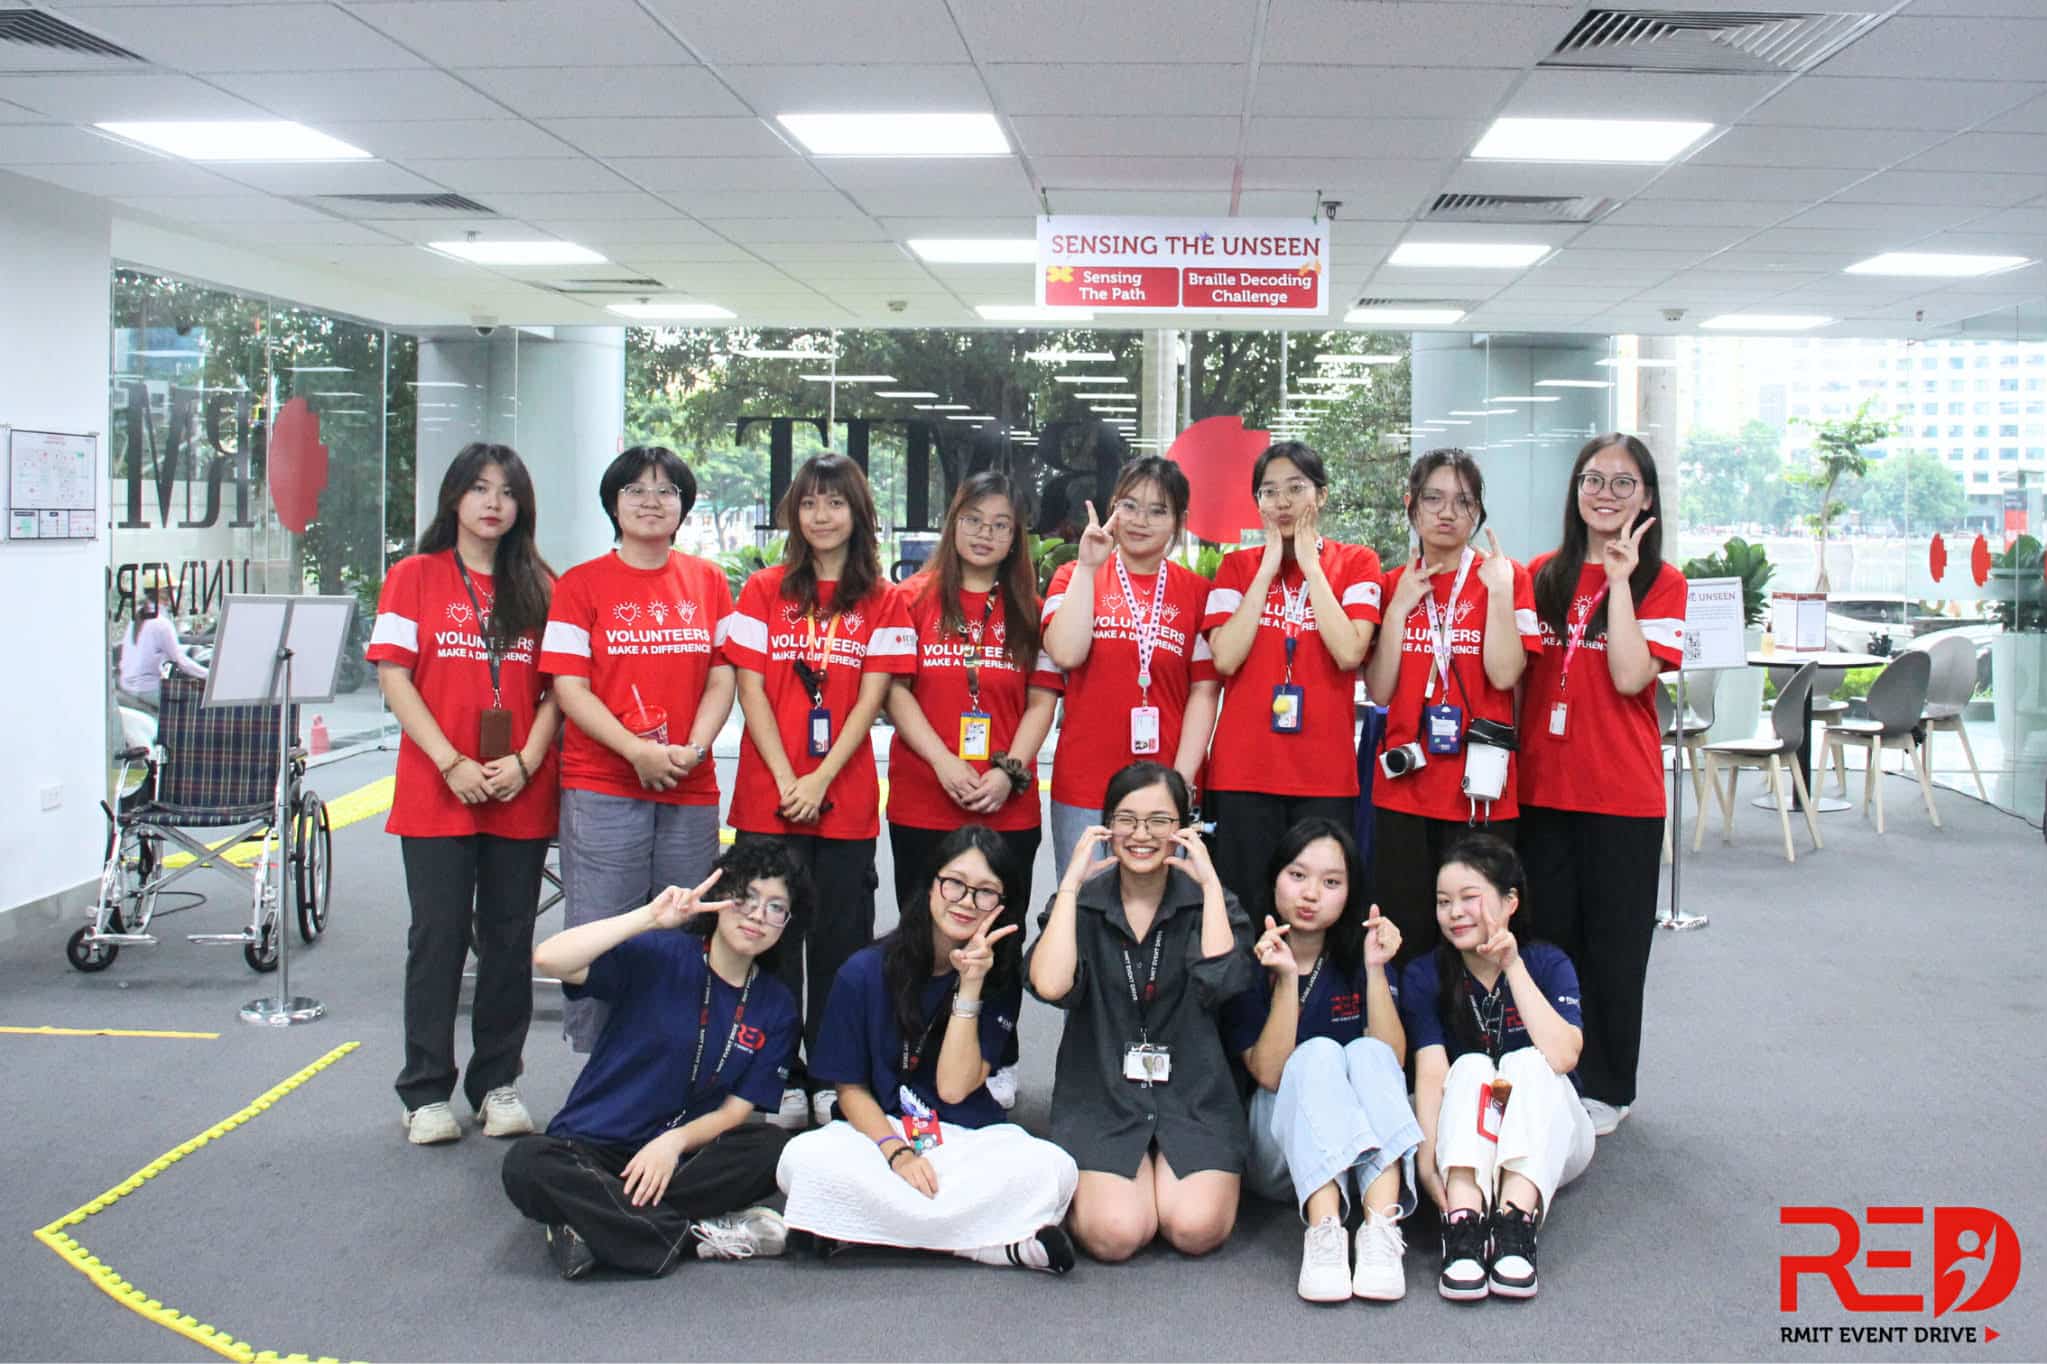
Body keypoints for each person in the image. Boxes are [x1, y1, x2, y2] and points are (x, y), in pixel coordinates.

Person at [776, 826, 1080, 1273]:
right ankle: (991, 1244)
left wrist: (970, 987)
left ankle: (864, 1230)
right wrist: (896, 1153)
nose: (965, 901)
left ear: (1002, 906)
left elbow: (954, 1090)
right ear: (931, 883)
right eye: (954, 883)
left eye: (985, 893)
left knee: (1053, 1169)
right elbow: (851, 1091)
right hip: (880, 1134)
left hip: (964, 1139)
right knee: (802, 1160)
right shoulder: (862, 971)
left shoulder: (998, 977)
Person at [368, 442, 560, 1145]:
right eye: (479, 489)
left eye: (506, 492)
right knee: (438, 937)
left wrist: (528, 759)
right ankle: (424, 1092)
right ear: (454, 497)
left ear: (521, 506)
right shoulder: (412, 577)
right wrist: (450, 761)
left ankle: (497, 1084)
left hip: (517, 787)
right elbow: (394, 678)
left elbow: (557, 690)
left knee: (509, 940)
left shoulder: (541, 583)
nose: (492, 503)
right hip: (437, 786)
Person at [503, 842, 808, 1279]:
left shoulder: (776, 1006)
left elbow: (735, 1113)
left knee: (771, 1149)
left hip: (681, 1159)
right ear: (720, 902)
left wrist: (673, 1143)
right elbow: (550, 958)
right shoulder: (661, 954)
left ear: (788, 922)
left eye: (776, 907)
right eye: (746, 898)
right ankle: (692, 1236)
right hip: (592, 1147)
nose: (758, 915)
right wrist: (648, 917)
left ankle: (594, 1225)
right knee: (527, 1164)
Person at [726, 451, 915, 1132]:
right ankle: (776, 1074)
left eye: (834, 502)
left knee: (840, 943)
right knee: (768, 941)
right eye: (808, 503)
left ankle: (834, 1073)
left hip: (845, 796)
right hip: (765, 798)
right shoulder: (762, 590)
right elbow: (749, 688)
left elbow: (873, 698)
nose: (821, 515)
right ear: (793, 514)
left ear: (857, 512)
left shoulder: (883, 599)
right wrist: (785, 779)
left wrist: (819, 778)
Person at [540, 446, 736, 1053]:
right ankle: (599, 1068)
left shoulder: (707, 582)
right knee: (606, 929)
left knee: (684, 928)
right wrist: (635, 751)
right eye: (635, 490)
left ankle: (675, 1062)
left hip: (689, 785)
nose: (651, 501)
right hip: (603, 785)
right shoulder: (579, 585)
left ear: (683, 506)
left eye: (666, 490)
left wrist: (695, 747)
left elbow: (723, 675)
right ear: (613, 503)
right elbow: (568, 687)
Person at [1517, 433, 1685, 1138]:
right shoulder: (1539, 574)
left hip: (1621, 795)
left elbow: (1626, 675)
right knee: (1547, 941)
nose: (1605, 495)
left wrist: (1619, 581)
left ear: (1645, 496)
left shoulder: (1663, 582)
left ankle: (1610, 1085)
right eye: (1593, 480)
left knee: (1614, 948)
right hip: (1540, 790)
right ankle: (1552, 1071)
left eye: (1621, 483)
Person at [1026, 761, 1254, 1263]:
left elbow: (1224, 979)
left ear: (1183, 829)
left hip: (1193, 1096)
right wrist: (1069, 886)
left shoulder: (1208, 901)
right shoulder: (1082, 902)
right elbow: (1049, 983)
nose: (1142, 835)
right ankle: (1127, 1179)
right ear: (1106, 825)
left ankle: (1161, 1173)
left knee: (1196, 1228)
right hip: (1102, 1093)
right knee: (1116, 1235)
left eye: (1159, 821)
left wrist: (1212, 886)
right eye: (1127, 819)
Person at [1225, 818, 1419, 1302]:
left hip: (1363, 1153)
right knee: (1316, 1055)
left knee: (1368, 1052)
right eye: (1297, 875)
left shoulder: (1361, 955)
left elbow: (1392, 1062)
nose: (1311, 893)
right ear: (1273, 879)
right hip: (1277, 1154)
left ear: (1350, 894)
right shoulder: (1249, 962)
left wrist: (1376, 971)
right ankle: (1325, 1230)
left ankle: (1378, 1229)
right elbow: (1268, 1073)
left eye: (1331, 882)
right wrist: (1287, 981)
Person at [1365, 449, 1541, 964]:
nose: (1447, 513)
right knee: (1405, 934)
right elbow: (1379, 691)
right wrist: (1398, 610)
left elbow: (1506, 674)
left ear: (1479, 512)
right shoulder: (1391, 584)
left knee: (1482, 937)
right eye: (1434, 499)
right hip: (1404, 788)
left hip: (1480, 790)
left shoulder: (1505, 578)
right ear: (1412, 507)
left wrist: (1503, 595)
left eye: (1463, 502)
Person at [1399, 835, 1591, 1303]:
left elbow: (1565, 1056)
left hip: (1553, 1132)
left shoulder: (1547, 963)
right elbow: (1429, 1073)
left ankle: (1514, 1224)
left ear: (1509, 902)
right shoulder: (1425, 974)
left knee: (1525, 1062)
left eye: (1470, 898)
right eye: (1444, 902)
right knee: (1470, 1067)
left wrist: (1513, 967)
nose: (1455, 913)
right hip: (1467, 1138)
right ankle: (1462, 1221)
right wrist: (1427, 1164)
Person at [1202, 443, 1380, 921]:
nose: (1281, 502)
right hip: (1244, 771)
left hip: (1323, 773)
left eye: (1295, 488)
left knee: (1316, 910)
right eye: (1268, 491)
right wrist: (1265, 569)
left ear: (1320, 496)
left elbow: (1349, 651)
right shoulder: (1235, 569)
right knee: (1242, 906)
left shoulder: (1357, 563)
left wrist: (1311, 566)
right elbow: (1226, 657)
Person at [1041, 456, 1219, 874]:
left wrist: (1181, 782)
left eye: (1158, 510)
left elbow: (1204, 692)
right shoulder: (1071, 576)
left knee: (1163, 915)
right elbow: (1066, 653)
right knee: (1082, 909)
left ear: (1179, 520)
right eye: (1130, 505)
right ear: (1112, 509)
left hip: (1164, 785)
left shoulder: (1197, 593)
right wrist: (1088, 567)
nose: (1141, 520)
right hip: (1085, 782)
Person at [116, 587, 208, 713]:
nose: (176, 593)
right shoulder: (161, 623)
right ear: (162, 593)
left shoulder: (139, 614)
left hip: (126, 682)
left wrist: (188, 649)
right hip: (146, 688)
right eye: (173, 589)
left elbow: (151, 646)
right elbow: (182, 662)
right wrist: (208, 675)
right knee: (197, 703)